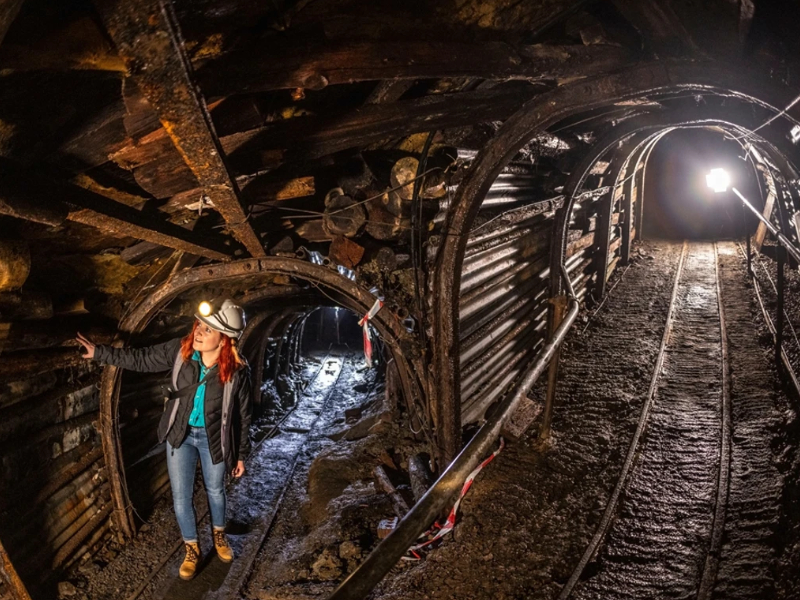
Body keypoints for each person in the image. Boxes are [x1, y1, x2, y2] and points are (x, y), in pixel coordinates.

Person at [76, 299, 252, 581]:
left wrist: (241, 454)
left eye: (208, 330)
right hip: (179, 436)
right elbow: (141, 359)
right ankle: (191, 549)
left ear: (224, 340)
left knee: (216, 490)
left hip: (214, 440)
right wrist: (101, 353)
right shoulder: (180, 351)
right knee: (181, 497)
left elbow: (243, 415)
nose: (199, 332)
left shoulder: (237, 372)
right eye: (200, 326)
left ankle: (219, 536)